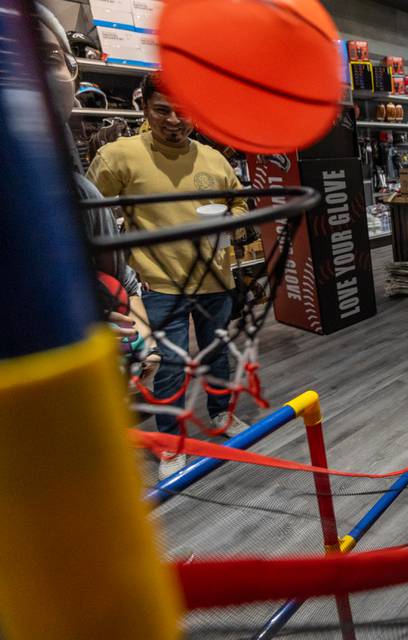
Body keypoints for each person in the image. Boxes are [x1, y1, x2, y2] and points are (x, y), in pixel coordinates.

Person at [87, 72, 250, 478]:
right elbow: (87, 215)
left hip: (215, 279)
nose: (175, 120)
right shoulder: (119, 156)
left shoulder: (214, 158)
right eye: (163, 110)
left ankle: (219, 415)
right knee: (170, 369)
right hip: (160, 284)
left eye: (184, 112)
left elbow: (240, 207)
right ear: (144, 108)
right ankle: (170, 444)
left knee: (217, 355)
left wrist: (230, 225)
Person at [34, 3, 160, 383]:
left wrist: (145, 340)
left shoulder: (79, 191)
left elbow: (122, 281)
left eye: (47, 56)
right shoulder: (113, 158)